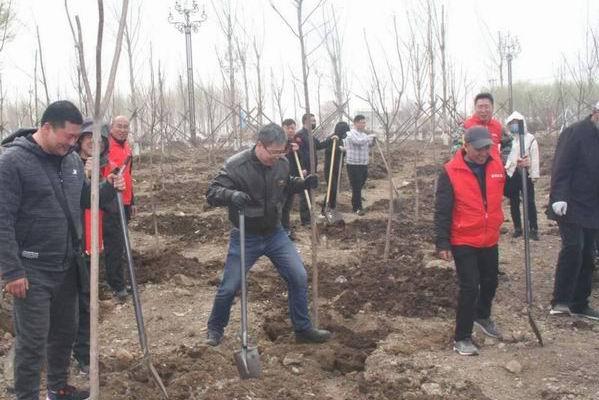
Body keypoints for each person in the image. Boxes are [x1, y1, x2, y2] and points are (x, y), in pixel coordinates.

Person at [0, 101, 122, 400]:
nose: (73, 143)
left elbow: (82, 198)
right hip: (32, 268)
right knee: (33, 341)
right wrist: (12, 271)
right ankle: (27, 395)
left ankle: (57, 388)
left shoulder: (70, 161)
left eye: (76, 137)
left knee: (65, 332)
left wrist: (107, 187)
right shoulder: (12, 162)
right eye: (68, 136)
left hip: (67, 263)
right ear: (46, 128)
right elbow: (2, 218)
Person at [204, 123, 331, 346]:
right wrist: (231, 195)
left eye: (281, 152)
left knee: (298, 276)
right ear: (260, 145)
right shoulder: (236, 165)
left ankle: (302, 329)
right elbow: (212, 193)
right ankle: (215, 329)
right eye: (273, 152)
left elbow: (285, 184)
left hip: (275, 233)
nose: (277, 157)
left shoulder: (282, 163)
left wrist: (302, 183)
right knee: (229, 286)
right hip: (246, 235)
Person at [434, 126, 507, 356]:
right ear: (466, 146)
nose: (483, 153)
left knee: (490, 281)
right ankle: (462, 337)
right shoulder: (450, 171)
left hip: (489, 236)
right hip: (463, 237)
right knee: (470, 286)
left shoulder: (496, 165)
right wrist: (442, 242)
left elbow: (511, 189)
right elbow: (442, 210)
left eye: (487, 148)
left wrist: (523, 171)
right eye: (478, 149)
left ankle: (482, 316)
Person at [548, 101, 599, 320]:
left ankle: (580, 302)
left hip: (593, 205)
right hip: (570, 203)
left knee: (588, 253)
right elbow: (561, 166)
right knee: (574, 248)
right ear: (595, 113)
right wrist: (559, 196)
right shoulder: (575, 133)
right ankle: (561, 301)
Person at [72, 118, 114, 376]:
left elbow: (103, 205)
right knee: (70, 304)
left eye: (100, 140)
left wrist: (109, 185)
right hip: (72, 246)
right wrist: (85, 176)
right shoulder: (69, 165)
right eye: (90, 138)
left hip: (94, 245)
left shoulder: (105, 167)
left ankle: (83, 353)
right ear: (80, 139)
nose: (94, 143)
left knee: (87, 303)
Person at [102, 115, 135, 301]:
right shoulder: (105, 147)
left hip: (125, 201)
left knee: (121, 243)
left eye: (126, 126)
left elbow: (129, 175)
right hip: (111, 203)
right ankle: (115, 284)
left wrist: (132, 201)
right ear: (111, 127)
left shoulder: (127, 147)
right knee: (114, 245)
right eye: (119, 126)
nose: (123, 130)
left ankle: (119, 279)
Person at [504, 112, 540, 240]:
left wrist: (534, 174)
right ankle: (518, 227)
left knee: (529, 201)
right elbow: (506, 156)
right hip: (513, 173)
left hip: (526, 173)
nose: (514, 126)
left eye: (516, 123)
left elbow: (534, 158)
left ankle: (533, 228)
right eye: (511, 124)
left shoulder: (530, 139)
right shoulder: (510, 140)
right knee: (514, 202)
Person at [294, 113, 332, 225]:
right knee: (304, 194)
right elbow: (298, 153)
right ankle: (305, 220)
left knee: (310, 193)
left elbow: (319, 146)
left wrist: (331, 139)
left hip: (312, 169)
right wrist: (302, 168)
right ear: (305, 121)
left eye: (315, 120)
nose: (314, 122)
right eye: (312, 121)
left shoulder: (310, 135)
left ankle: (310, 217)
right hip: (305, 169)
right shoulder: (300, 136)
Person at [451, 93, 511, 161]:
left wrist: (503, 160)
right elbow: (455, 149)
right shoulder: (465, 126)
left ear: (492, 107)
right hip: (473, 166)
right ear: (475, 108)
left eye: (486, 107)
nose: (483, 110)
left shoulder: (498, 126)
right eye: (480, 107)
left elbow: (509, 144)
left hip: (495, 166)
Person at [344, 115, 376, 215]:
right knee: (357, 186)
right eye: (362, 122)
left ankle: (355, 198)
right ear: (356, 123)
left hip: (363, 163)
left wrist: (373, 141)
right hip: (353, 164)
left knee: (361, 183)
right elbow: (358, 142)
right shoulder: (350, 134)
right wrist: (369, 137)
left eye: (364, 122)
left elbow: (369, 144)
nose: (364, 124)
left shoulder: (364, 135)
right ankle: (357, 208)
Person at [321, 121, 349, 217]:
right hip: (330, 168)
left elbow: (342, 154)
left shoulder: (340, 139)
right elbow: (328, 151)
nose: (345, 134)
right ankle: (324, 210)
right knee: (331, 189)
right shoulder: (332, 139)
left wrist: (343, 151)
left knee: (335, 189)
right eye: (344, 132)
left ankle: (332, 209)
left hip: (338, 168)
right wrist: (338, 149)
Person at [281, 118, 302, 239]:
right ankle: (280, 230)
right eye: (288, 128)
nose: (290, 130)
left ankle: (286, 229)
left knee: (287, 206)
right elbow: (277, 157)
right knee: (280, 206)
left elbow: (298, 161)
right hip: (280, 180)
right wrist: (288, 150)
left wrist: (297, 151)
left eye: (293, 128)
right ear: (283, 128)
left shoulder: (294, 142)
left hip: (292, 179)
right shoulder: (278, 142)